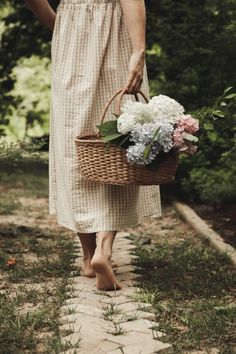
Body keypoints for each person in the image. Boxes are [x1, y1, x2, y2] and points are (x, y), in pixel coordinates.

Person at [25, 0, 162, 291]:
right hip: (115, 32)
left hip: (71, 31)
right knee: (122, 137)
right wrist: (138, 51)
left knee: (75, 139)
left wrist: (61, 23)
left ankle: (88, 259)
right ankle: (104, 249)